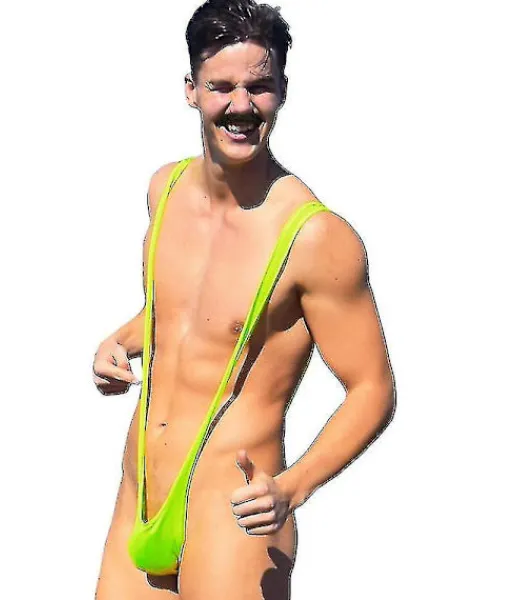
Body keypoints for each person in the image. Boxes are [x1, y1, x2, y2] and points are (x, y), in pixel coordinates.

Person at [92, 1, 395, 598]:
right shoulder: (165, 190)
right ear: (190, 90)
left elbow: (373, 388)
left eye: (258, 88)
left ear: (282, 91)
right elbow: (180, 312)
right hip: (141, 487)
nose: (240, 106)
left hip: (234, 508)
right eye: (221, 87)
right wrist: (119, 343)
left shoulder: (315, 238)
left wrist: (294, 486)